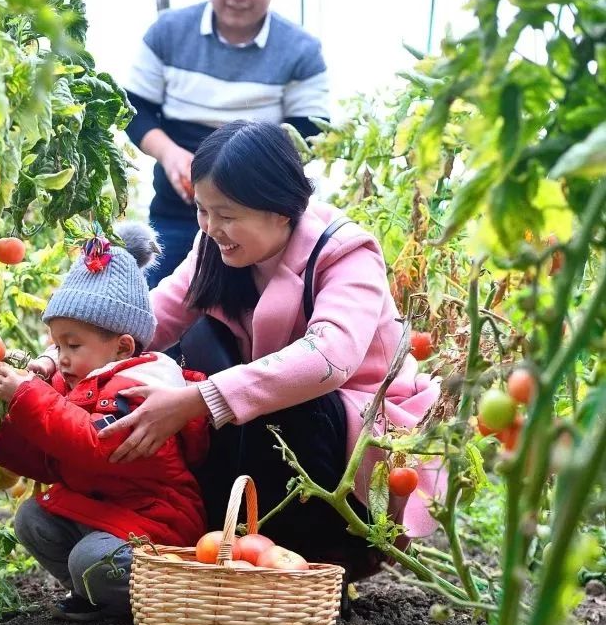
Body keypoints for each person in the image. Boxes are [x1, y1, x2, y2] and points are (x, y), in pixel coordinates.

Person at [32, 121, 441, 582]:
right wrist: (57, 356)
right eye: (204, 212)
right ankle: (205, 543)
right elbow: (149, 320)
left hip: (351, 434)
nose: (211, 228)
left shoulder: (345, 252)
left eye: (225, 214)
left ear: (281, 210)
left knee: (285, 404)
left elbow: (329, 359)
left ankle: (308, 565)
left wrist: (196, 401)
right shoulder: (214, 246)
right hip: (264, 430)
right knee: (195, 349)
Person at [0, 223, 209, 622]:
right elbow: (53, 447)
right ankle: (100, 598)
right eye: (56, 344)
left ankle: (136, 606)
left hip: (155, 528)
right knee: (34, 519)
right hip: (109, 516)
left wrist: (26, 395)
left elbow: (92, 442)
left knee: (91, 560)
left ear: (122, 347)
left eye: (72, 346)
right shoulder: (86, 379)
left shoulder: (138, 390)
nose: (61, 357)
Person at [122, 0, 330, 286]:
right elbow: (133, 108)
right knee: (159, 312)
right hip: (175, 213)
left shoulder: (300, 51)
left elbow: (311, 130)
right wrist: (171, 155)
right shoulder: (168, 33)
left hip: (256, 225)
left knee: (251, 326)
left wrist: (240, 179)